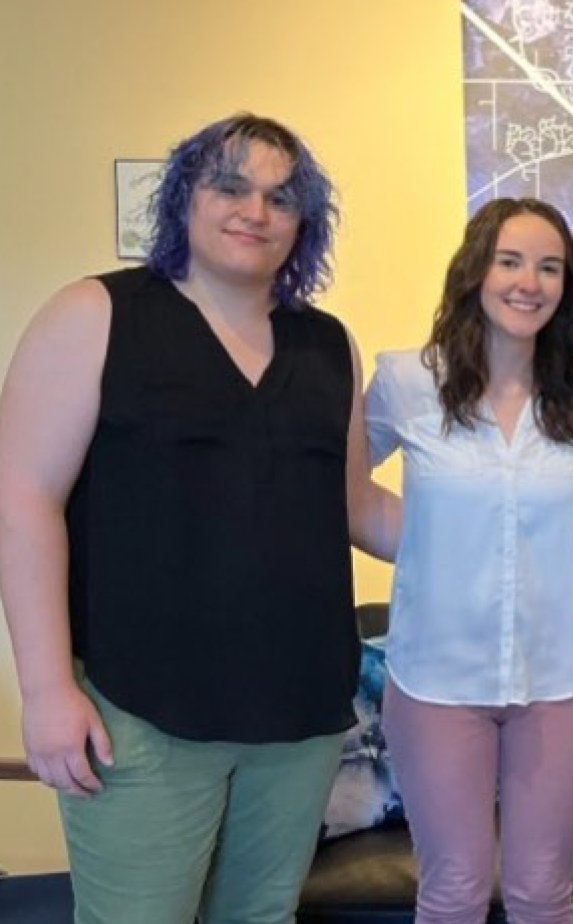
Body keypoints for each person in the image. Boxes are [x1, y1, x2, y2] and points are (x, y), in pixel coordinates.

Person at [0, 113, 395, 924]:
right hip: (139, 710)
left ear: (303, 223)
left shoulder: (327, 346)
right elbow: (21, 498)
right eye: (230, 186)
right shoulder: (96, 314)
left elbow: (355, 507)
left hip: (301, 713)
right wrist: (44, 690)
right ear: (184, 196)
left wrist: (510, 530)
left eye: (281, 197)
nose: (255, 209)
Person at [364, 198, 573, 924]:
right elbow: (338, 485)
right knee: (452, 892)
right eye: (510, 261)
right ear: (476, 269)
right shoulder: (408, 380)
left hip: (558, 681)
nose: (528, 282)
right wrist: (424, 549)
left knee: (543, 892)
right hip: (437, 680)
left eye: (549, 267)